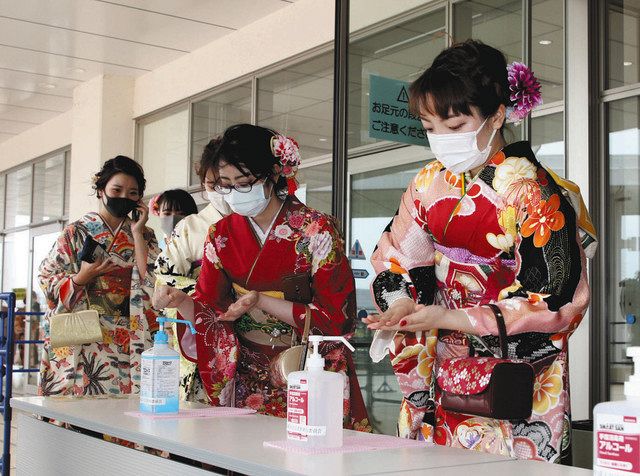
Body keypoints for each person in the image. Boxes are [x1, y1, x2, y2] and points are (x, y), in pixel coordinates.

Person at [363, 40, 597, 462]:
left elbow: (558, 295)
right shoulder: (427, 184)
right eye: (430, 128)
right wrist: (400, 304)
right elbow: (396, 256)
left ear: (497, 115)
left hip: (515, 374)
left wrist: (453, 317)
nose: (440, 141)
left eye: (454, 127)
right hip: (444, 362)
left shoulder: (532, 190)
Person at [153, 124, 370, 431]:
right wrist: (182, 301)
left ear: (274, 173)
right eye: (224, 185)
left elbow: (337, 318)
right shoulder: (221, 234)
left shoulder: (315, 229)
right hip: (244, 370)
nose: (233, 193)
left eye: (243, 183)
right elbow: (210, 310)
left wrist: (262, 301)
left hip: (307, 367)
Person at [38, 155, 159, 396]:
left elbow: (155, 281)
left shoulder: (145, 235)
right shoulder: (74, 232)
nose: (124, 197)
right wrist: (80, 278)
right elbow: (46, 277)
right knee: (81, 396)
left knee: (126, 403)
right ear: (101, 190)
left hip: (128, 329)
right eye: (117, 189)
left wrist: (137, 233)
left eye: (132, 193)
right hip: (84, 330)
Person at [154, 146, 231, 403]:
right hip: (202, 320)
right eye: (213, 183)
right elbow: (165, 275)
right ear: (203, 185)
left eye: (228, 182)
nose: (221, 189)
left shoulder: (254, 221)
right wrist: (211, 294)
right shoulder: (191, 227)